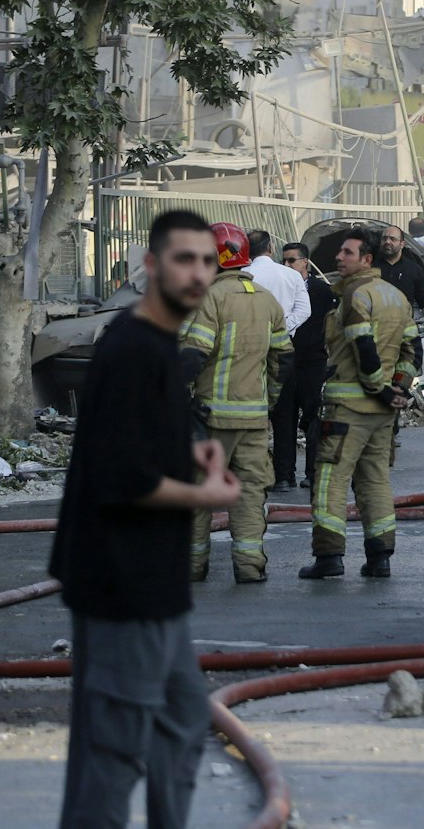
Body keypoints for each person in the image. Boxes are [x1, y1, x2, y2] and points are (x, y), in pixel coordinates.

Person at [51, 209, 240, 829]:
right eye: (183, 259)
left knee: (184, 724)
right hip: (120, 583)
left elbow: (130, 439)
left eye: (207, 261)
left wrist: (190, 452)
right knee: (113, 753)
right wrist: (204, 497)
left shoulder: (158, 343)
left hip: (154, 586)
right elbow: (119, 479)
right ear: (151, 266)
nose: (197, 273)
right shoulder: (133, 347)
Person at [300, 229, 417, 580]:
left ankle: (329, 557)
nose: (339, 258)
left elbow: (363, 347)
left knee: (330, 481)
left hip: (347, 410)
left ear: (367, 260)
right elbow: (412, 352)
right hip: (382, 415)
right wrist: (397, 389)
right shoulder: (397, 298)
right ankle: (380, 558)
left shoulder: (354, 295)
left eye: (347, 253)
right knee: (376, 481)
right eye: (340, 253)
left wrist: (378, 387)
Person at [182, 222, 292, 584]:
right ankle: (249, 567)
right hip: (254, 420)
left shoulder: (208, 299)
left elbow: (192, 355)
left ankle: (193, 567)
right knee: (248, 494)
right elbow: (284, 359)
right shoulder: (266, 299)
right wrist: (268, 401)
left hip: (210, 418)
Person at [272, 242, 336, 490]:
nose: (287, 265)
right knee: (283, 418)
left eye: (292, 261)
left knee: (313, 417)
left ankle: (313, 473)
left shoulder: (321, 290)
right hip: (285, 360)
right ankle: (284, 475)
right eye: (284, 261)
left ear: (305, 263)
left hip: (312, 362)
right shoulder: (280, 287)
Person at [375, 225, 424, 357]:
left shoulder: (413, 269)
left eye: (392, 239)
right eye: (384, 238)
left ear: (402, 244)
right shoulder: (369, 267)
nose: (387, 242)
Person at [244, 229, 311, 339]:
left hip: (250, 338)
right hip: (282, 340)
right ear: (270, 247)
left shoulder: (242, 274)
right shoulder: (292, 275)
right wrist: (282, 327)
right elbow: (304, 311)